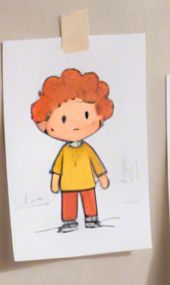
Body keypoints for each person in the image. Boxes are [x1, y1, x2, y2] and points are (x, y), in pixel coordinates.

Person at [32, 68, 114, 233]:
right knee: (68, 202)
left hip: (87, 182)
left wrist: (103, 177)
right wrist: (55, 182)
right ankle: (69, 221)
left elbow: (96, 163)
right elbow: (57, 168)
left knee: (89, 199)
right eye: (63, 119)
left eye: (85, 115)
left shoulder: (87, 149)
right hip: (68, 184)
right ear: (47, 124)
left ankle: (91, 218)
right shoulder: (65, 151)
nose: (76, 125)